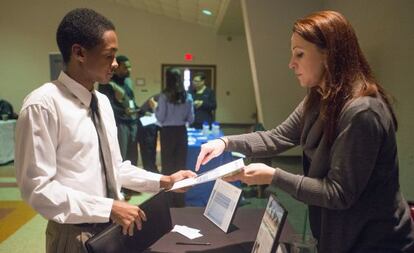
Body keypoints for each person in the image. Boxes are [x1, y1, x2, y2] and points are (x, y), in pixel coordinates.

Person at [195, 10, 414, 253]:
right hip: (340, 236)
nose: (291, 64)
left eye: (299, 54)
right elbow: (277, 137)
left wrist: (273, 176)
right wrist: (224, 142)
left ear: (329, 54)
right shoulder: (319, 96)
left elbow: (338, 193)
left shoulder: (362, 112)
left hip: (374, 243)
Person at [14, 8, 195, 253]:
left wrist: (165, 181)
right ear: (79, 53)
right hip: (75, 234)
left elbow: (115, 168)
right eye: (109, 55)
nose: (115, 64)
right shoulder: (43, 105)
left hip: (113, 226)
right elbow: (38, 190)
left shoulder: (102, 102)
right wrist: (108, 207)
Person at [152, 68, 194, 207]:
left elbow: (160, 117)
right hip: (181, 132)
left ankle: (168, 201)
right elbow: (191, 118)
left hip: (167, 133)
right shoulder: (187, 96)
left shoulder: (164, 96)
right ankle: (180, 201)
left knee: (168, 166)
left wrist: (155, 108)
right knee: (181, 166)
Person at [98, 55, 139, 165]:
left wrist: (140, 110)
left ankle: (132, 181)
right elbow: (106, 106)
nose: (129, 70)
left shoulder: (127, 81)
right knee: (121, 156)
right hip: (119, 124)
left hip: (132, 122)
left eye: (130, 67)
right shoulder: (107, 83)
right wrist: (123, 111)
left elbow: (131, 100)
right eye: (126, 67)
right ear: (117, 68)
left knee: (133, 156)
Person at [137, 94, 160, 173]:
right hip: (146, 123)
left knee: (151, 148)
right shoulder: (163, 98)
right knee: (148, 148)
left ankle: (151, 168)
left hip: (150, 123)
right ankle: (150, 170)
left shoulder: (163, 97)